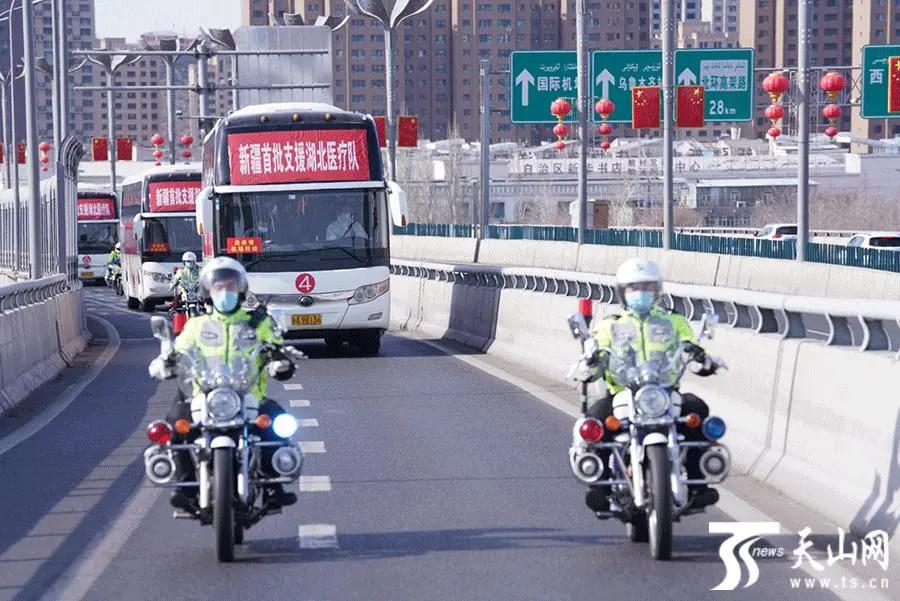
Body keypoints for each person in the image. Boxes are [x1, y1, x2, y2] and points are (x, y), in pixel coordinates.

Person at [151, 257, 298, 513]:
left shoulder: (258, 322)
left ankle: (273, 486)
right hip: (204, 397)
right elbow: (179, 350)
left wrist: (281, 360)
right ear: (209, 291)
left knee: (278, 422)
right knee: (175, 422)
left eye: (230, 286)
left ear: (240, 289)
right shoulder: (196, 325)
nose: (225, 292)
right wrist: (165, 361)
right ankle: (185, 487)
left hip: (250, 396)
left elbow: (277, 346)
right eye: (219, 287)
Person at [574, 257, 720, 515]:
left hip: (664, 393)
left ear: (657, 290)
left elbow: (689, 346)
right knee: (594, 419)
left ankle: (699, 484)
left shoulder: (673, 321)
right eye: (634, 288)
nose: (640, 293)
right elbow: (596, 350)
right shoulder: (611, 324)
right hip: (622, 396)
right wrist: (591, 362)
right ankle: (600, 487)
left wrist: (700, 358)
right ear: (623, 292)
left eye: (647, 287)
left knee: (697, 411)